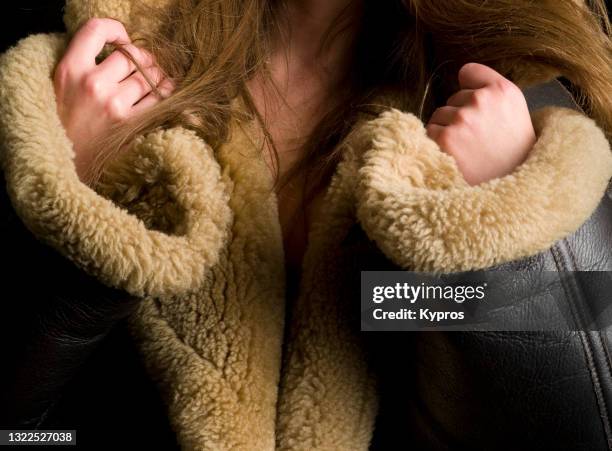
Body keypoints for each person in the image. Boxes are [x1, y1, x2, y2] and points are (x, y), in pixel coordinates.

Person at [0, 0, 610, 449]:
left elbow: (575, 422)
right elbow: (22, 433)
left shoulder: (505, 95)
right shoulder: (92, 66)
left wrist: (495, 233)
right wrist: (74, 199)